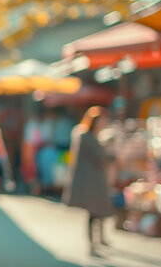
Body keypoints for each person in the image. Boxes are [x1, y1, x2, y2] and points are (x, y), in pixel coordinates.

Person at [62, 106, 114, 257]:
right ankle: (92, 246)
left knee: (97, 212)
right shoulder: (86, 136)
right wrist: (114, 157)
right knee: (94, 213)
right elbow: (100, 158)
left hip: (93, 180)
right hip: (90, 182)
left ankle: (98, 242)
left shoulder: (88, 136)